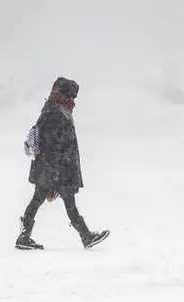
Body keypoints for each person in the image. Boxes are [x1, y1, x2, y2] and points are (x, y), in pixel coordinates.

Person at [16, 77, 109, 250]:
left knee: (44, 200)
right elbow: (52, 148)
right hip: (56, 169)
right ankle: (85, 236)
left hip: (53, 168)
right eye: (72, 97)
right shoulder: (56, 113)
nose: (73, 102)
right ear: (64, 95)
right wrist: (52, 178)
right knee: (58, 202)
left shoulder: (55, 109)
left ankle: (25, 236)